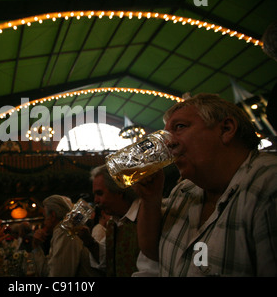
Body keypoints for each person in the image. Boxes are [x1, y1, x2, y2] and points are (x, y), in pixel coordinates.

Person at [133, 93, 277, 276]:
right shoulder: (183, 190)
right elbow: (153, 252)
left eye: (180, 127)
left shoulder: (268, 186)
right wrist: (150, 198)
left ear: (226, 129)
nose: (168, 143)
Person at [81, 165, 141, 277]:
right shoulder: (113, 223)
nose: (95, 200)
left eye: (100, 193)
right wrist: (88, 241)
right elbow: (106, 260)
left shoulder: (145, 216)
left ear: (119, 190)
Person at [31, 195, 101, 277]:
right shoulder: (62, 231)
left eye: (44, 217)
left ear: (53, 215)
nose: (44, 222)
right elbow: (46, 271)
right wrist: (36, 246)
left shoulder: (65, 231)